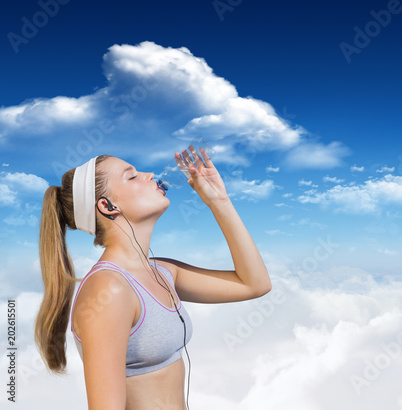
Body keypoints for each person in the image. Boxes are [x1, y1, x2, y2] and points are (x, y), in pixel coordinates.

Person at [34, 145, 272, 409]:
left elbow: (255, 284)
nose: (149, 174)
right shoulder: (109, 289)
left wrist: (219, 201)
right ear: (107, 205)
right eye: (132, 176)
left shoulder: (163, 272)